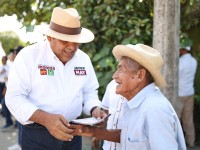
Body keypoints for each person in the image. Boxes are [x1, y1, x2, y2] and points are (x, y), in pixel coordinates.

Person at [5, 7, 104, 150]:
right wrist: (45, 119)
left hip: (73, 133)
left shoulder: (83, 59)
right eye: (65, 41)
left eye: (76, 42)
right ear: (49, 37)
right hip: (37, 135)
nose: (71, 47)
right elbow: (14, 98)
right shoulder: (29, 56)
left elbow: (89, 92)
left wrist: (95, 108)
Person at [102, 44, 186, 150]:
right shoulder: (135, 104)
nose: (114, 76)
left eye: (121, 69)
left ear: (140, 75)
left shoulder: (154, 109)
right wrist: (92, 131)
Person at [177, 46, 197, 148]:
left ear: (183, 50)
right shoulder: (194, 61)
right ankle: (191, 142)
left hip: (180, 94)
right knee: (188, 119)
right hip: (189, 93)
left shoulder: (180, 62)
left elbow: (176, 76)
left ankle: (174, 143)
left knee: (175, 119)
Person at [0, 56, 13, 131]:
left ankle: (10, 121)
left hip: (8, 87)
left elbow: (10, 78)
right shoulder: (1, 66)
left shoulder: (10, 67)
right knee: (3, 102)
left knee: (4, 103)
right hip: (4, 85)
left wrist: (6, 88)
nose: (2, 61)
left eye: (4, 60)